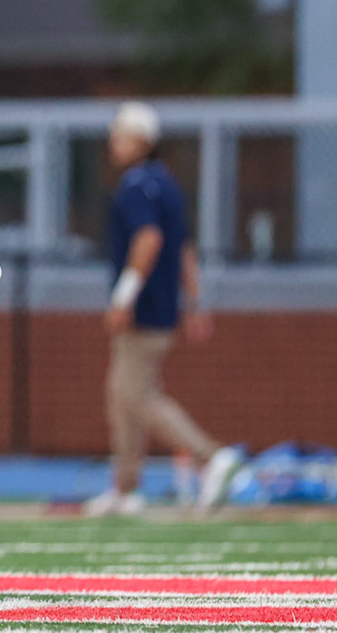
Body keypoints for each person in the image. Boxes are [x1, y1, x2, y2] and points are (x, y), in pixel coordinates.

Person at [84, 101, 242, 517]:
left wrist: (123, 298)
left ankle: (210, 456)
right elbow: (184, 250)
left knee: (134, 394)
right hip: (163, 305)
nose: (114, 142)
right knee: (122, 396)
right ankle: (126, 487)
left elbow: (149, 241)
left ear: (141, 140)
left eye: (121, 134)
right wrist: (194, 302)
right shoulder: (168, 185)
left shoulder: (136, 185)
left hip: (143, 307)